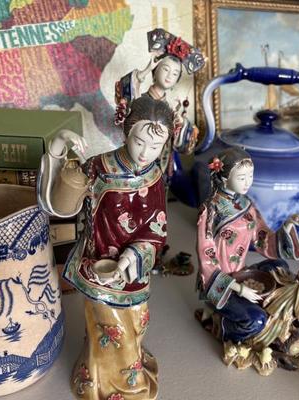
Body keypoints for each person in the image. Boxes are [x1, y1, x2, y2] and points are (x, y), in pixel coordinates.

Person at [38, 96, 174, 400]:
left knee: (137, 325)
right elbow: (60, 205)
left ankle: (101, 372)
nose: (145, 153)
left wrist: (130, 258)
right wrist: (59, 145)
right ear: (127, 132)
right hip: (98, 265)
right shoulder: (99, 167)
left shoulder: (154, 175)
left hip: (134, 268)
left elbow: (157, 226)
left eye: (156, 147)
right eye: (139, 142)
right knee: (116, 334)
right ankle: (125, 387)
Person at [196, 147, 299, 345]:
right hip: (222, 284)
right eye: (241, 177)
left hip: (241, 272)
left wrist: (288, 225)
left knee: (279, 267)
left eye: (250, 176)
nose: (247, 182)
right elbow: (207, 257)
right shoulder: (210, 210)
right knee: (256, 321)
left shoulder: (247, 204)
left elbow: (262, 239)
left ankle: (267, 305)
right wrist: (239, 289)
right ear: (224, 178)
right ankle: (218, 323)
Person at [115, 28, 205, 175]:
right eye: (165, 69)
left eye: (175, 73)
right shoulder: (140, 101)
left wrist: (180, 123)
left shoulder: (171, 109)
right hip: (136, 164)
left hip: (161, 167)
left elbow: (184, 145)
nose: (169, 76)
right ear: (155, 70)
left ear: (177, 79)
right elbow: (125, 97)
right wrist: (145, 70)